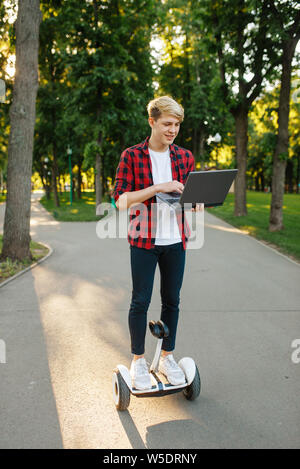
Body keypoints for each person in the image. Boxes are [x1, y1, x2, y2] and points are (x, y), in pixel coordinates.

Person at [112, 96, 202, 390]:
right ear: (152, 121)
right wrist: (157, 187)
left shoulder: (184, 157)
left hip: (176, 239)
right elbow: (121, 201)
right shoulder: (132, 156)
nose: (172, 129)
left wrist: (198, 203)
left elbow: (187, 199)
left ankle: (167, 356)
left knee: (172, 301)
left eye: (176, 124)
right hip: (143, 240)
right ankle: (138, 360)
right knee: (140, 301)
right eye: (166, 123)